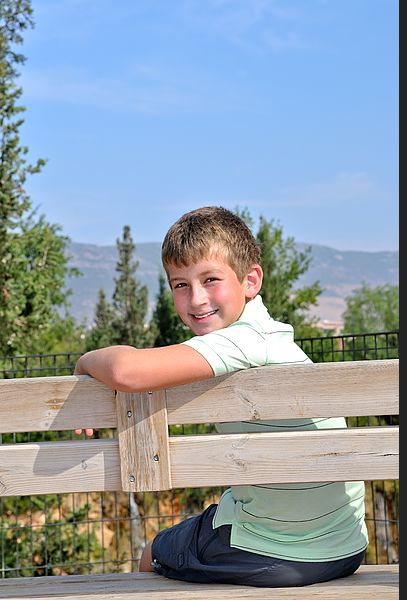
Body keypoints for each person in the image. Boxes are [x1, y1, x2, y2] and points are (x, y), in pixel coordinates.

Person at [74, 206, 368, 587]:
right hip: (344, 545)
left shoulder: (243, 342)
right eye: (181, 285)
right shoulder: (269, 336)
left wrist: (84, 362)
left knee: (153, 553)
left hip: (275, 548)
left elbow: (126, 372)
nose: (196, 299)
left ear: (251, 280)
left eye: (210, 280)